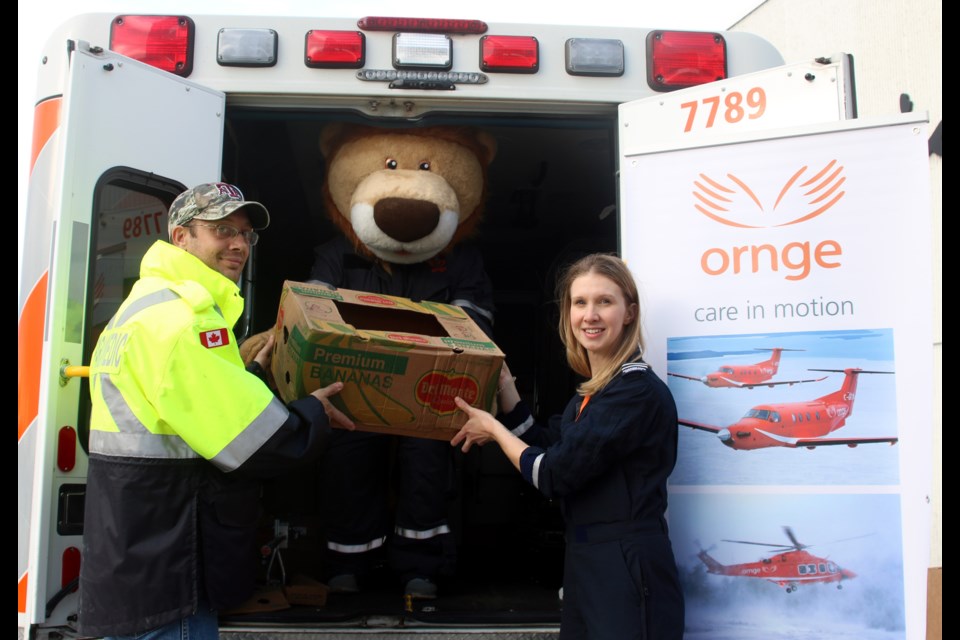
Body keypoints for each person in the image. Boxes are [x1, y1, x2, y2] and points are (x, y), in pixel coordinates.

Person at [78, 183, 354, 640]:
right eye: (222, 229)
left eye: (246, 234)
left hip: (135, 559)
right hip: (169, 570)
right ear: (181, 237)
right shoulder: (185, 320)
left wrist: (255, 382)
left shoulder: (142, 308)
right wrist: (314, 413)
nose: (239, 244)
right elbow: (256, 443)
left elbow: (190, 415)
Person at [451, 253, 684, 640]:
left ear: (629, 313)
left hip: (625, 561)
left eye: (604, 302)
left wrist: (493, 428)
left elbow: (553, 474)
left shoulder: (634, 391)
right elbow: (549, 447)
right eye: (580, 303)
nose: (589, 315)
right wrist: (507, 389)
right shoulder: (592, 394)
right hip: (587, 560)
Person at [310, 235, 495, 599]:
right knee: (349, 464)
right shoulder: (336, 253)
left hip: (430, 385)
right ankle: (348, 563)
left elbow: (475, 330)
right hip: (355, 384)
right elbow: (311, 315)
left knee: (426, 468)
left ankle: (421, 566)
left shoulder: (459, 257)